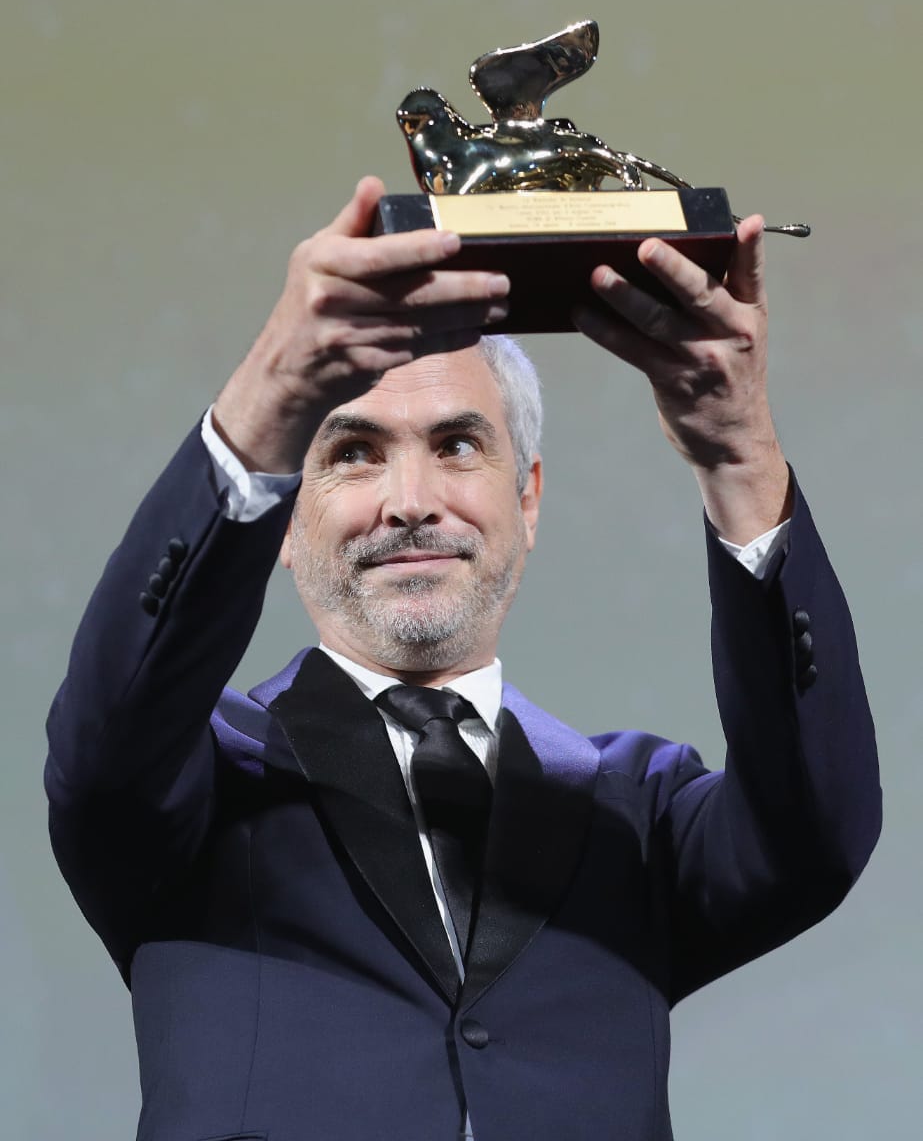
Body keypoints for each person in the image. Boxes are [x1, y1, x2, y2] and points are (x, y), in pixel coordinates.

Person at [46, 176, 881, 1141]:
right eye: (354, 453)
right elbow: (110, 727)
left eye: (455, 445)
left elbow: (814, 832)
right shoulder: (194, 784)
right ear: (285, 517)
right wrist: (270, 395)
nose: (410, 501)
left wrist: (740, 456)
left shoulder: (635, 814)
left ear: (526, 499)